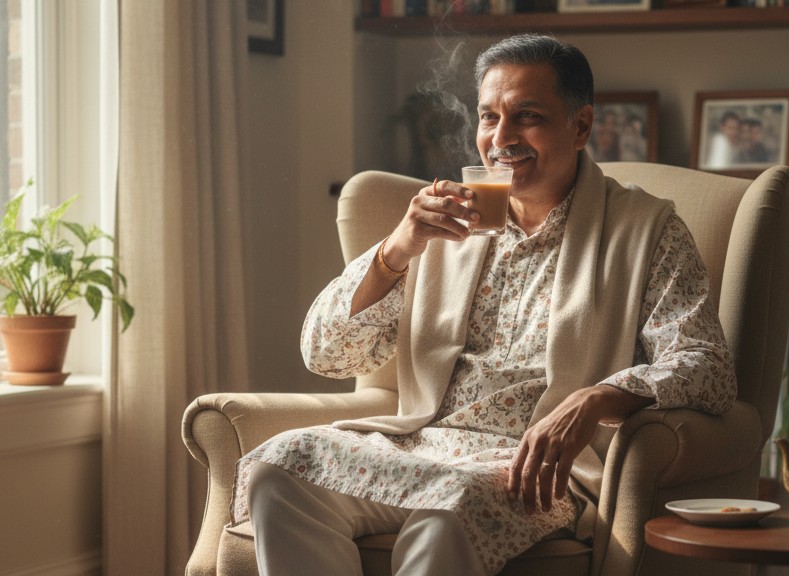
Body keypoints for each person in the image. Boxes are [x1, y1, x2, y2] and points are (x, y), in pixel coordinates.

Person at [232, 34, 737, 576]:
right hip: (423, 444)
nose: (501, 138)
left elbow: (707, 366)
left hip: (531, 467)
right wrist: (397, 249)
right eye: (489, 117)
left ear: (581, 126)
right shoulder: (444, 222)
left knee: (447, 513)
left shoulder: (646, 230)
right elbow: (326, 355)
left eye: (527, 117)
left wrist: (596, 398)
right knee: (280, 469)